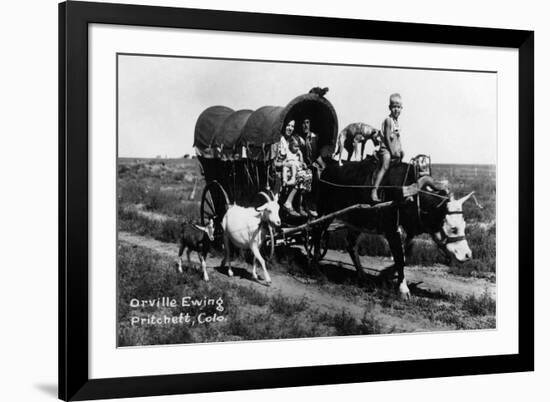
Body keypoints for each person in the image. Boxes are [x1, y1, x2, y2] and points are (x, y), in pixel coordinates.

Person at [371, 93, 405, 202]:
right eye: (394, 107)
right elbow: (386, 137)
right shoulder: (388, 121)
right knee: (386, 163)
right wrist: (392, 151)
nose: (396, 110)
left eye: (398, 107)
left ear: (401, 108)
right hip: (385, 148)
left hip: (393, 149)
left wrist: (400, 150)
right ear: (390, 108)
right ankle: (374, 190)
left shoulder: (396, 122)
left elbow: (397, 139)